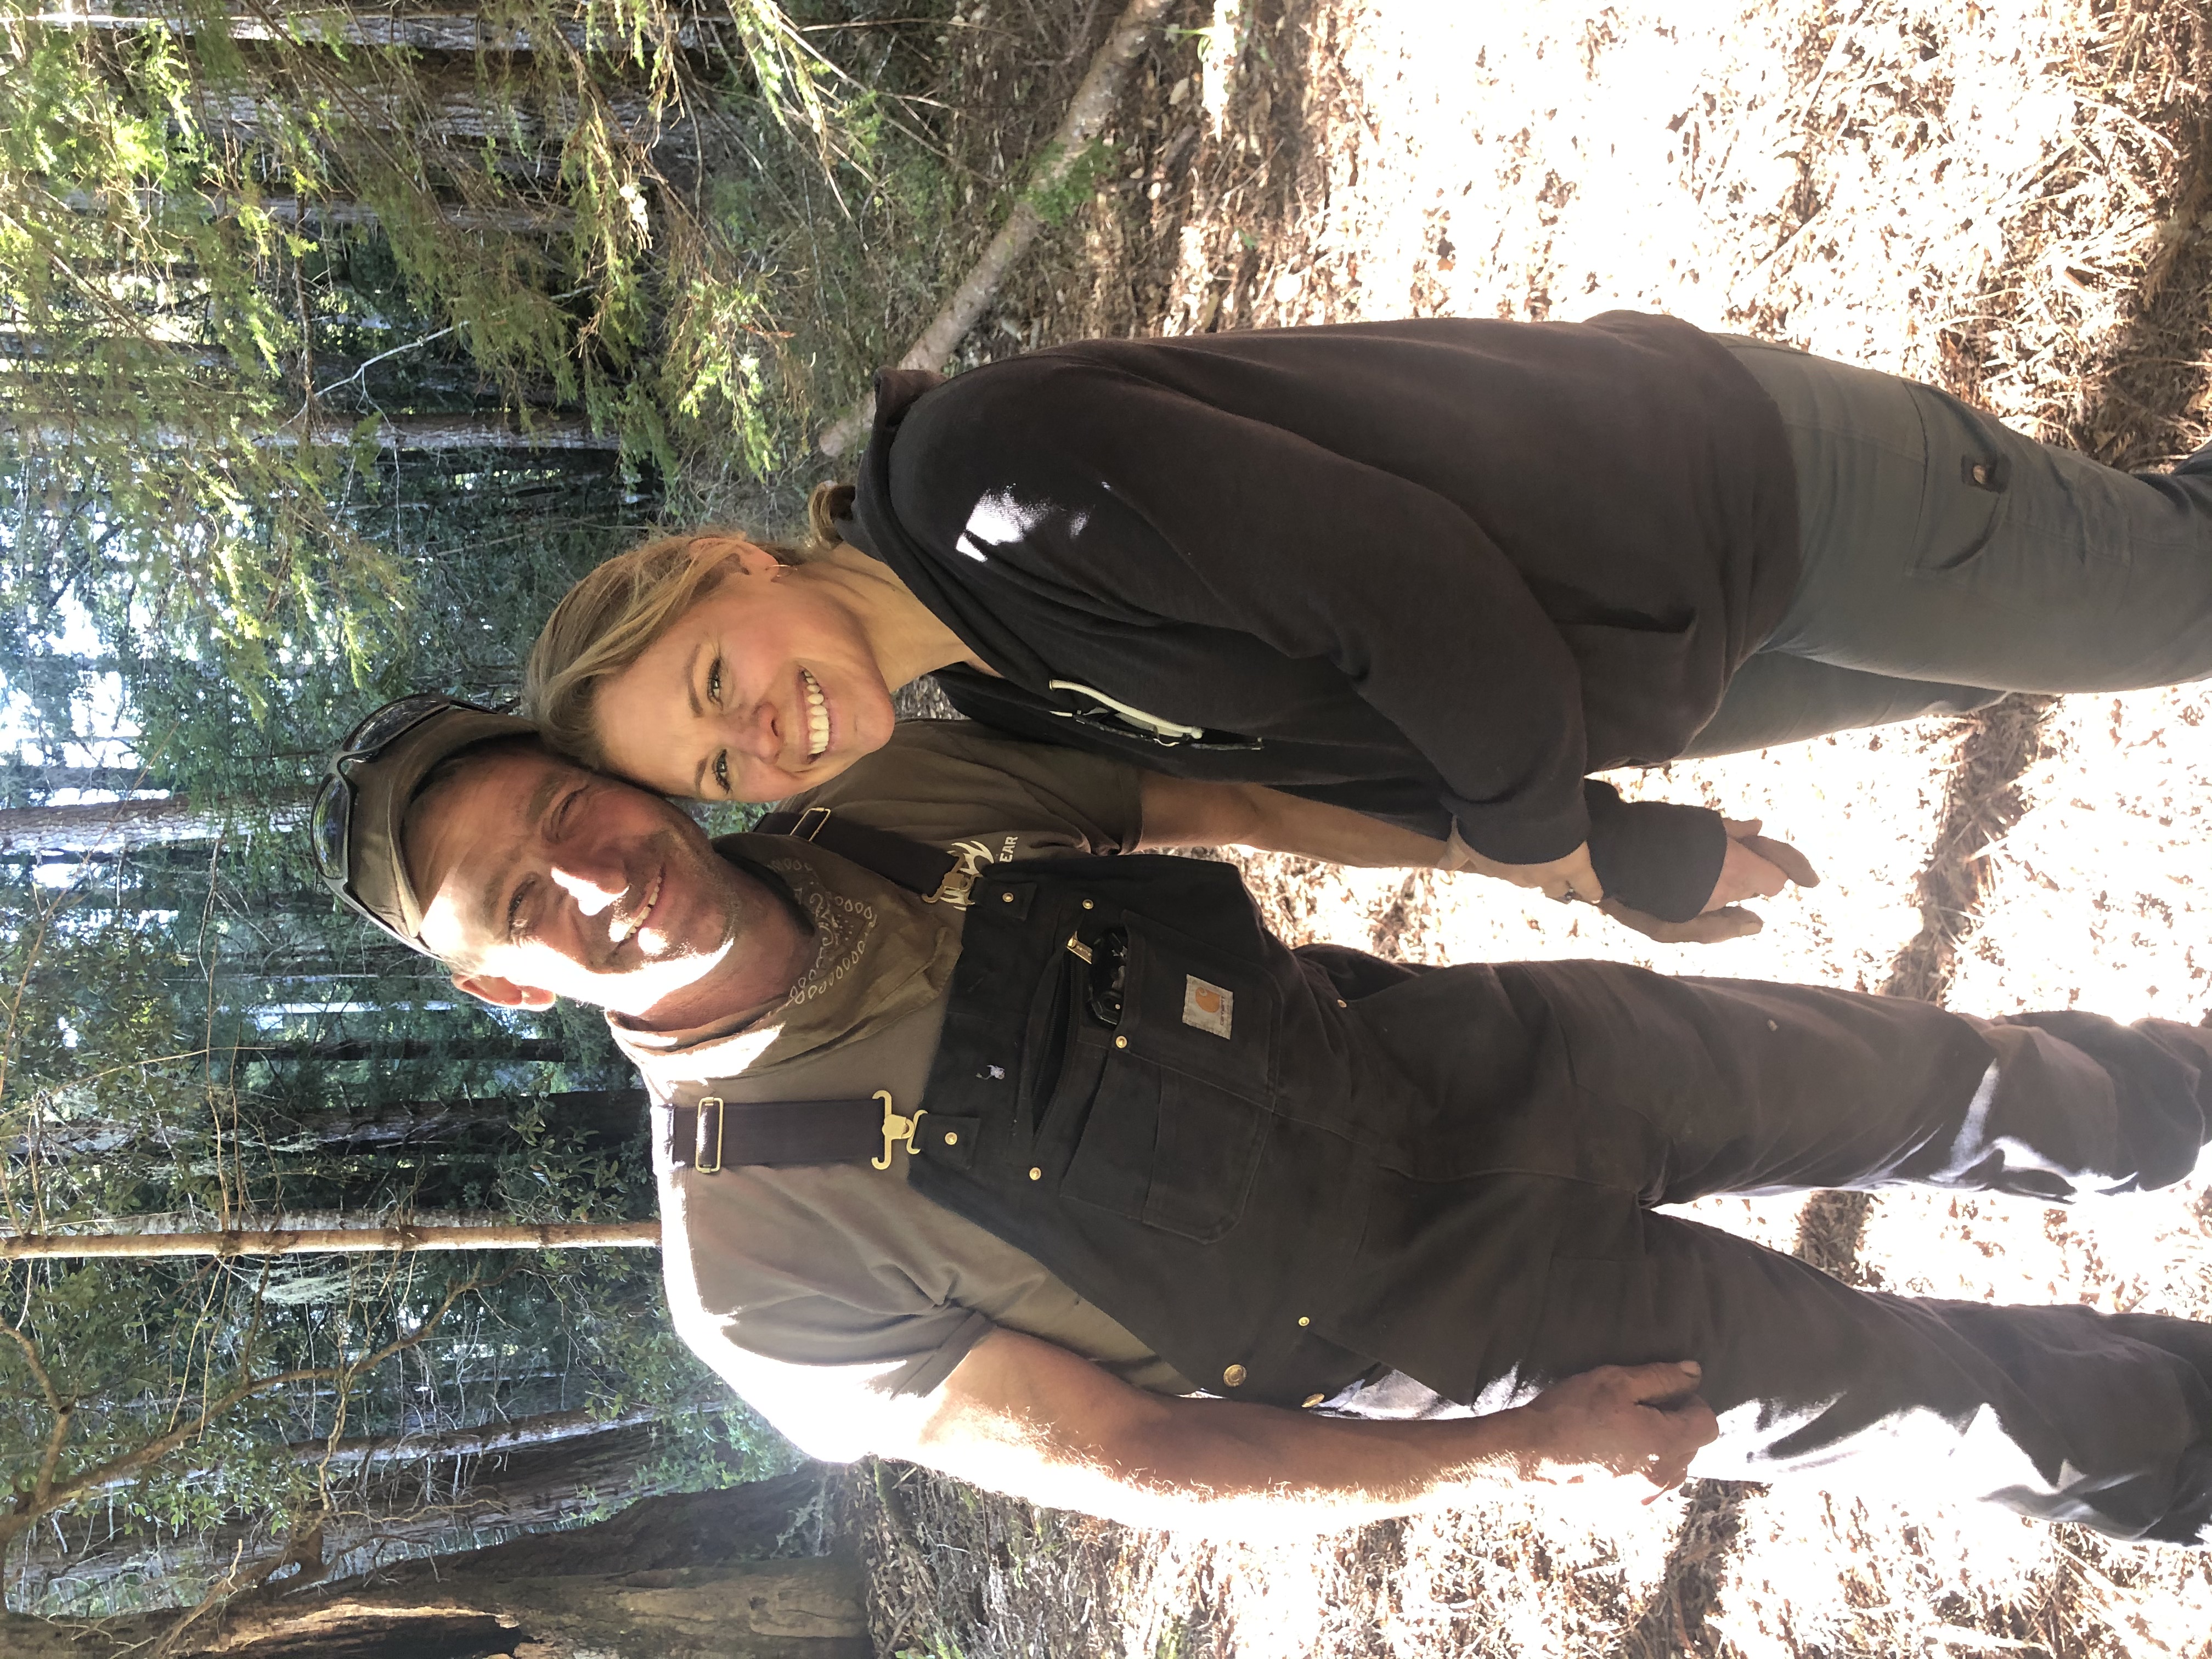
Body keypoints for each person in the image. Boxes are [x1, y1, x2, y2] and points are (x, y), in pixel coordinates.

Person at [312, 692, 2212, 1543]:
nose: (587, 878)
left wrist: (1556, 868)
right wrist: (1512, 1457)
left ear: (599, 772)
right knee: (1941, 1398)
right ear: (508, 985)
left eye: (559, 812)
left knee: (1942, 1079)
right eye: (515, 902)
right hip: (1473, 1325)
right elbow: (1141, 1454)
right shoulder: (753, 1263)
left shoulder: (885, 803)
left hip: (1486, 1053)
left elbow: (1214, 810)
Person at [522, 314, 2212, 935]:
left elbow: (1411, 595)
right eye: (716, 767)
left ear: (731, 567)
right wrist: (1619, 854)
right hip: (1677, 660)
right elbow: (1332, 760)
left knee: (2184, 592)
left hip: (1733, 498)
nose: (758, 737)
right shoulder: (1002, 688)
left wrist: (1546, 838)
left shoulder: (985, 483)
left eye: (714, 681)